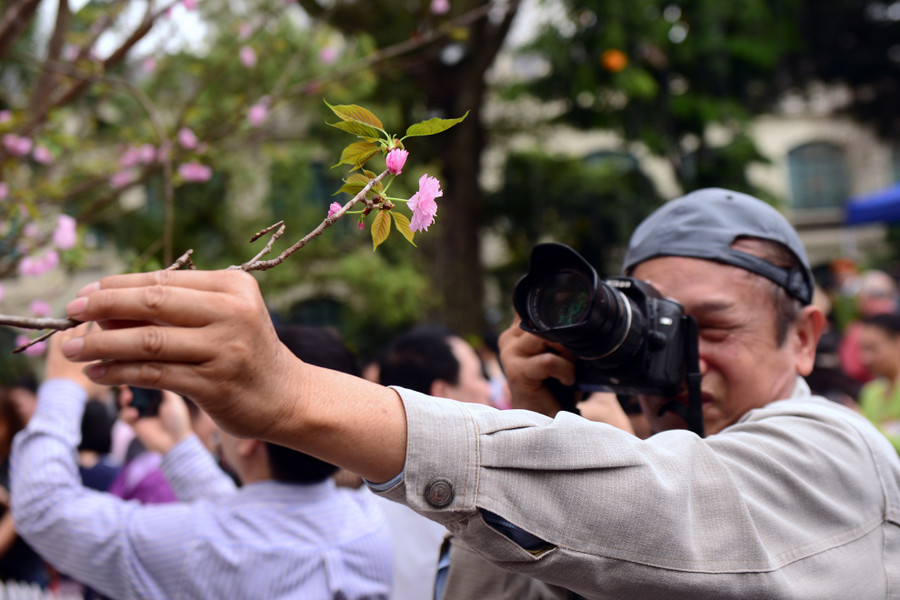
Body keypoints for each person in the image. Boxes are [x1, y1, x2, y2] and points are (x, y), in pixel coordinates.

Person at [53, 188, 900, 598]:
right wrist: (532, 418)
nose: (675, 353)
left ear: (805, 337)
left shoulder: (837, 453)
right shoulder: (605, 480)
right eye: (649, 322)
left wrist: (293, 397)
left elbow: (673, 507)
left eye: (709, 328)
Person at [11, 323, 392, 600]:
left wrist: (63, 386)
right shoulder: (369, 523)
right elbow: (253, 527)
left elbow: (44, 508)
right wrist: (177, 449)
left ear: (252, 438)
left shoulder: (197, 545)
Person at [856, 312, 900, 454]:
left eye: (873, 348)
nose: (866, 358)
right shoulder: (870, 392)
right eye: (863, 349)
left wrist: (860, 425)